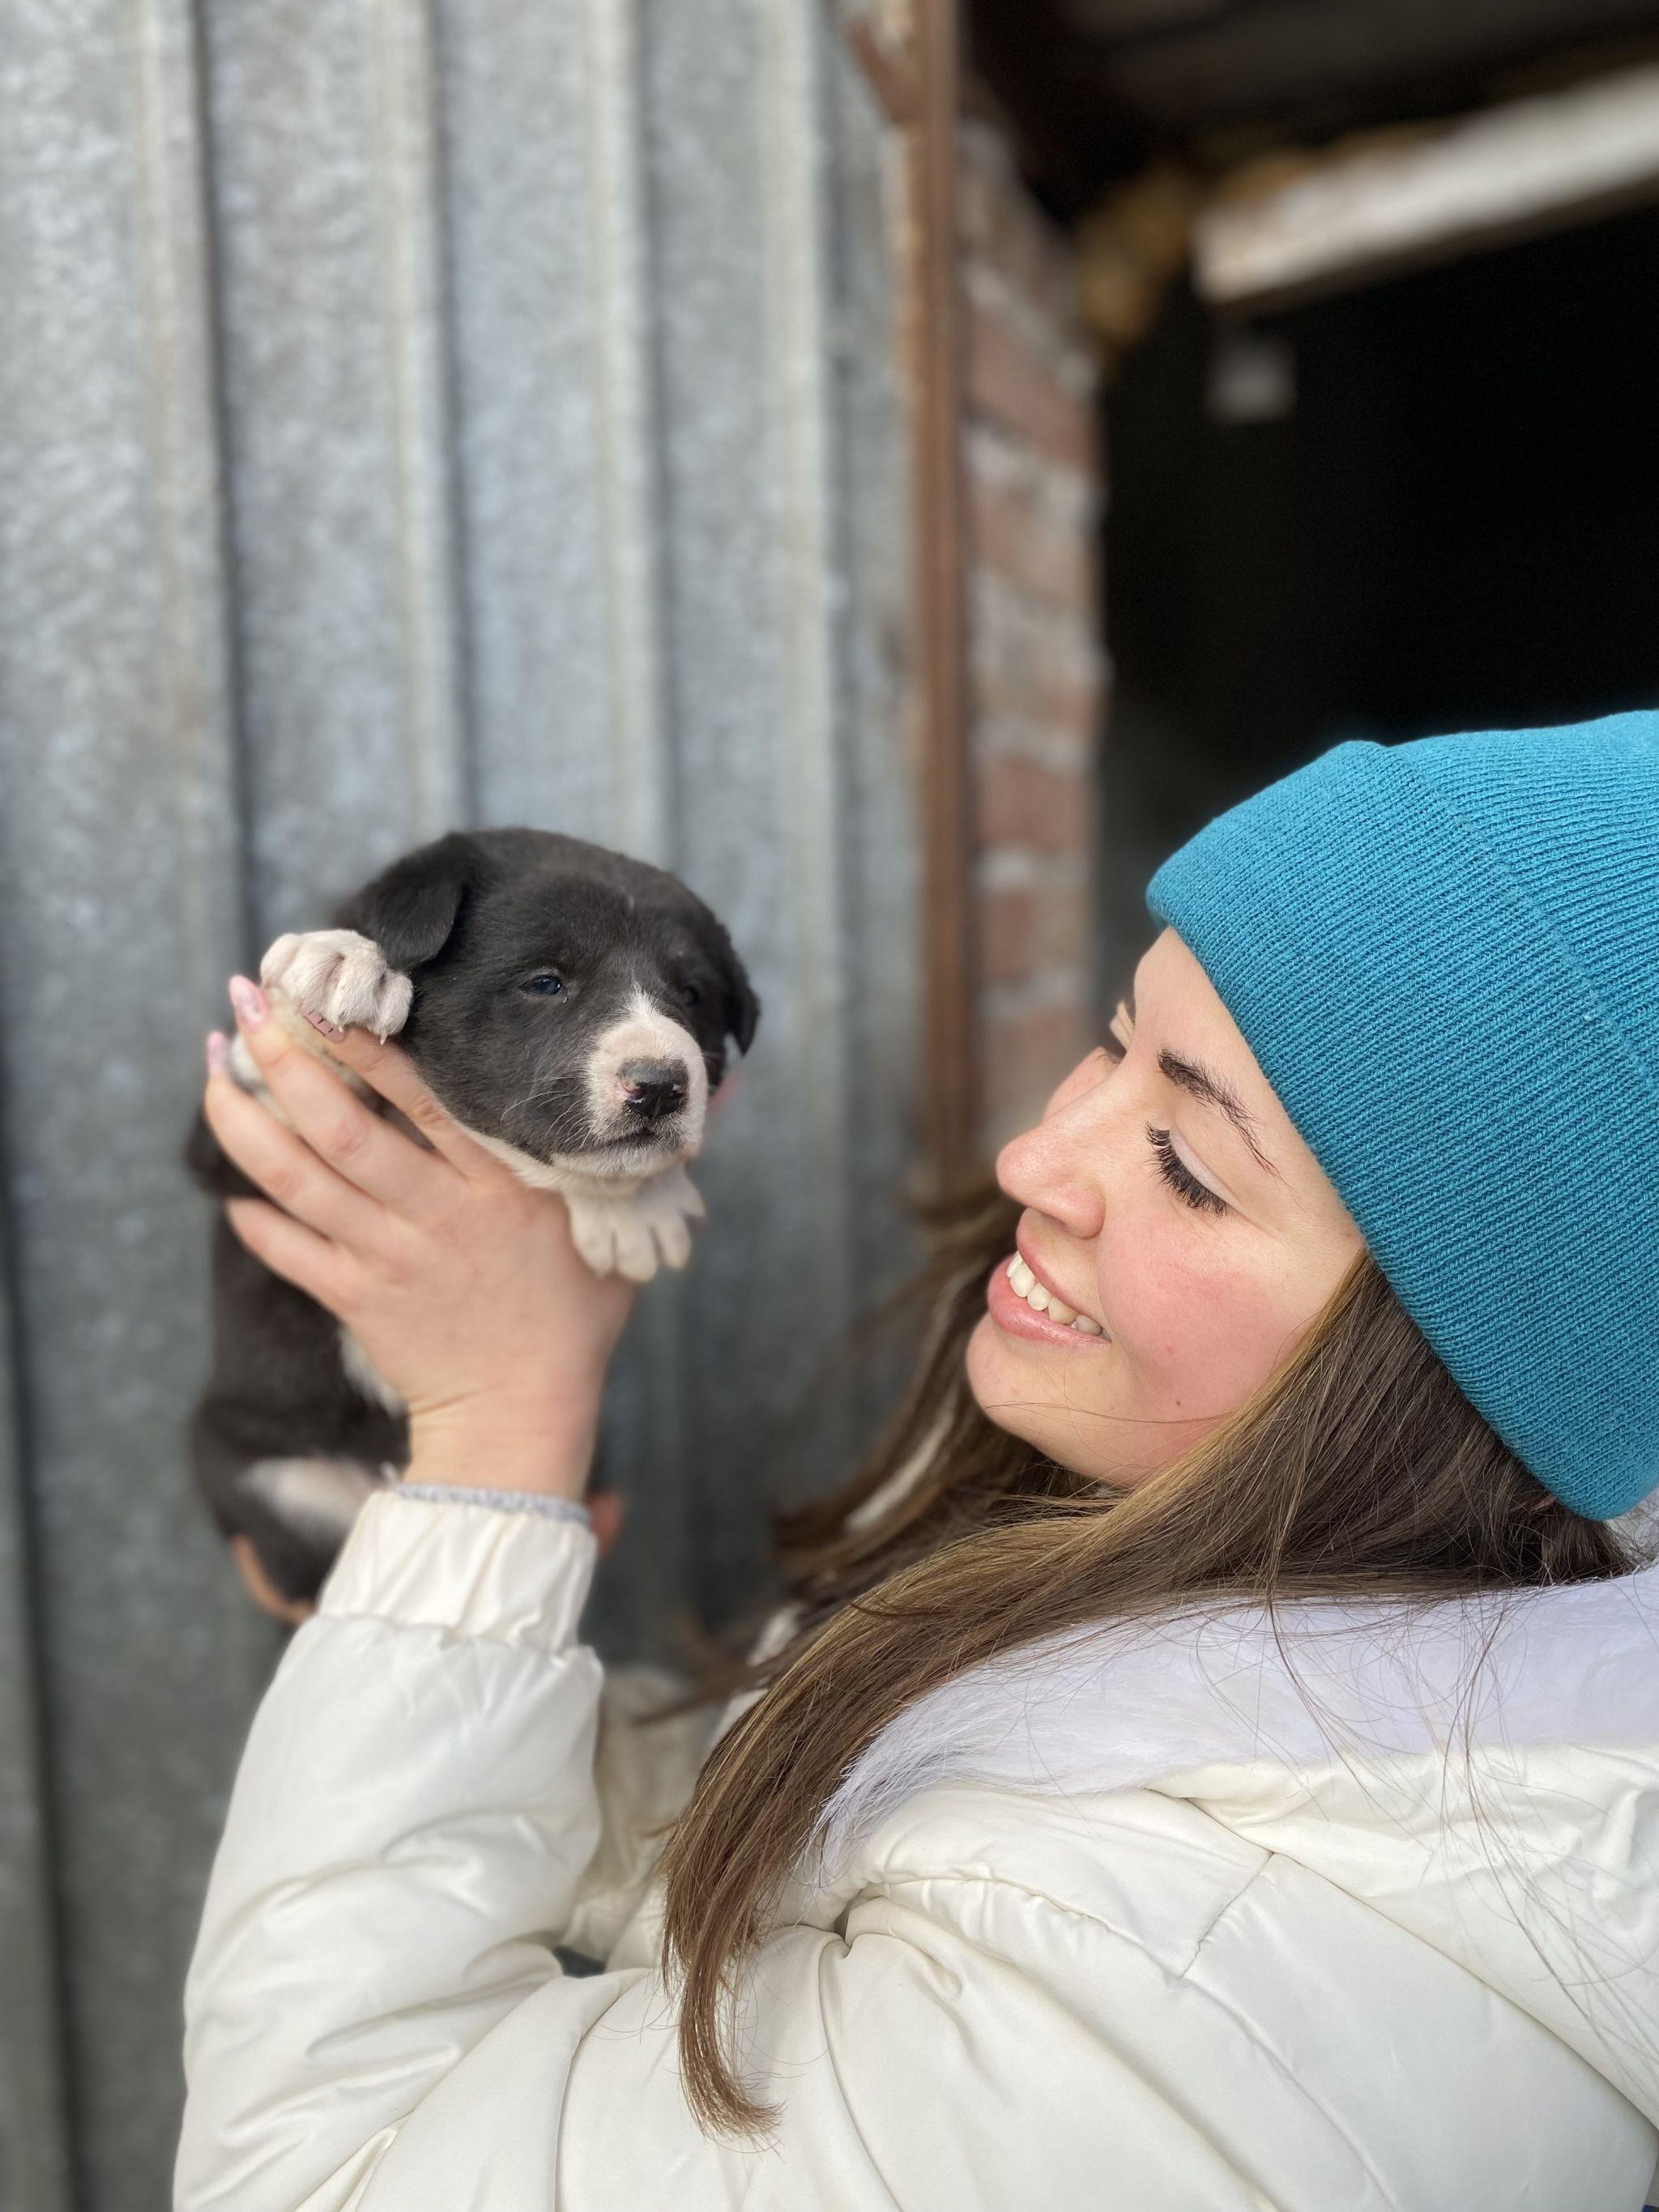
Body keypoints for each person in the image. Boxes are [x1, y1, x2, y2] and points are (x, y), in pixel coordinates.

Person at [177, 713, 1659, 2212]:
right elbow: (773, 1869)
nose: (1035, 1159)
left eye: (1190, 1163)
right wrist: (437, 1638)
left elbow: (317, 2179)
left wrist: (496, 1438)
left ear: (1460, 1379)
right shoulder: (1156, 1573)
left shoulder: (1216, 2018)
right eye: (1113, 1044)